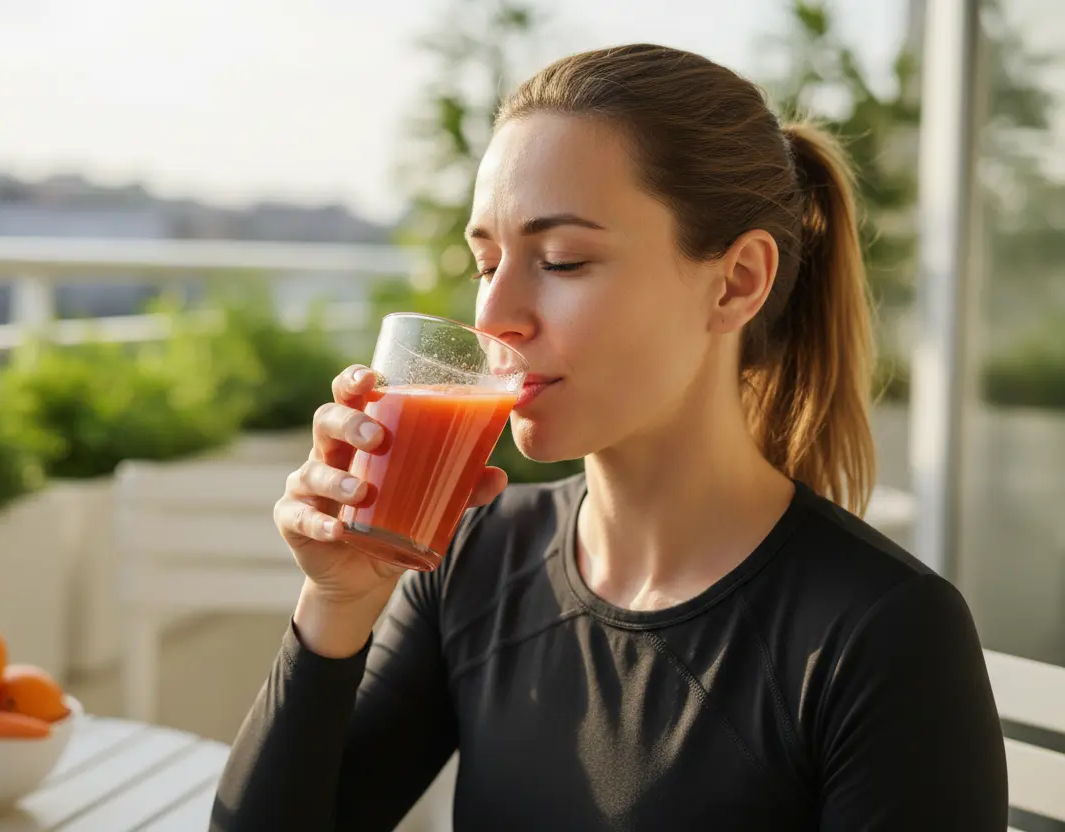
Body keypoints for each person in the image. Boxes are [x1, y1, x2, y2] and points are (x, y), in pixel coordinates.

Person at [211, 43, 1008, 831]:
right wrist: (336, 604)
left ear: (736, 283)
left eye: (561, 260)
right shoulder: (474, 559)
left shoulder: (884, 635)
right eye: (487, 261)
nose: (493, 316)